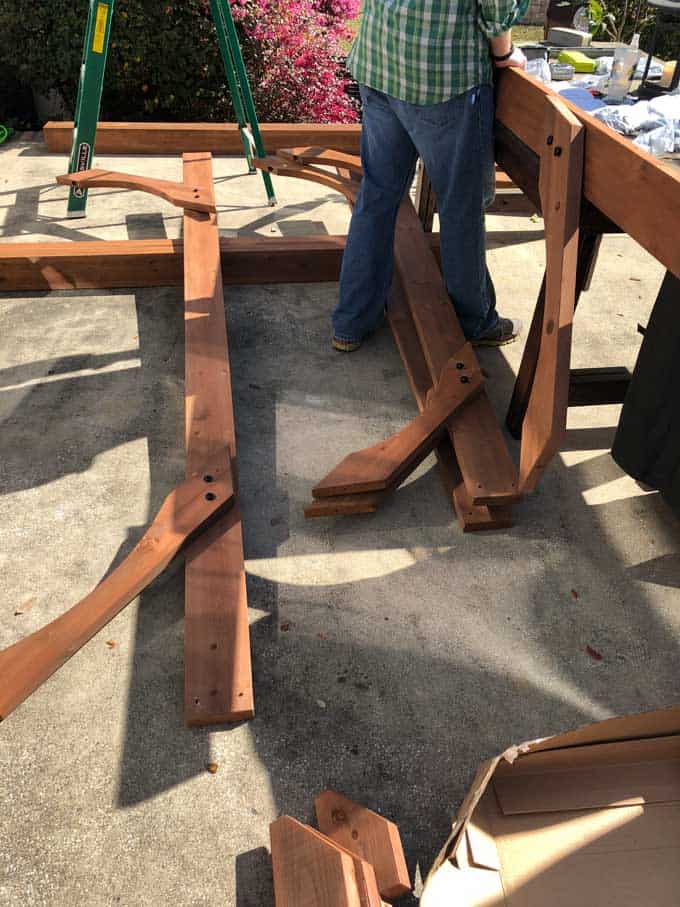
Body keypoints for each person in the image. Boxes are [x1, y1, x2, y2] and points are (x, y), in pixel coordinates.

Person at [331, 0, 529, 352]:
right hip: (442, 78)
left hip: (381, 60)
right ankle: (475, 321)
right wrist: (504, 54)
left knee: (377, 195)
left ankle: (350, 322)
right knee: (461, 207)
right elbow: (496, 9)